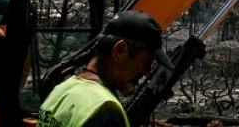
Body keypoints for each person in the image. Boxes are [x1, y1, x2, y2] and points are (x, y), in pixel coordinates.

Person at [38, 10, 174, 127]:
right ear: (120, 51)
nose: (147, 71)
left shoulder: (62, 90)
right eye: (147, 60)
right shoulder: (106, 111)